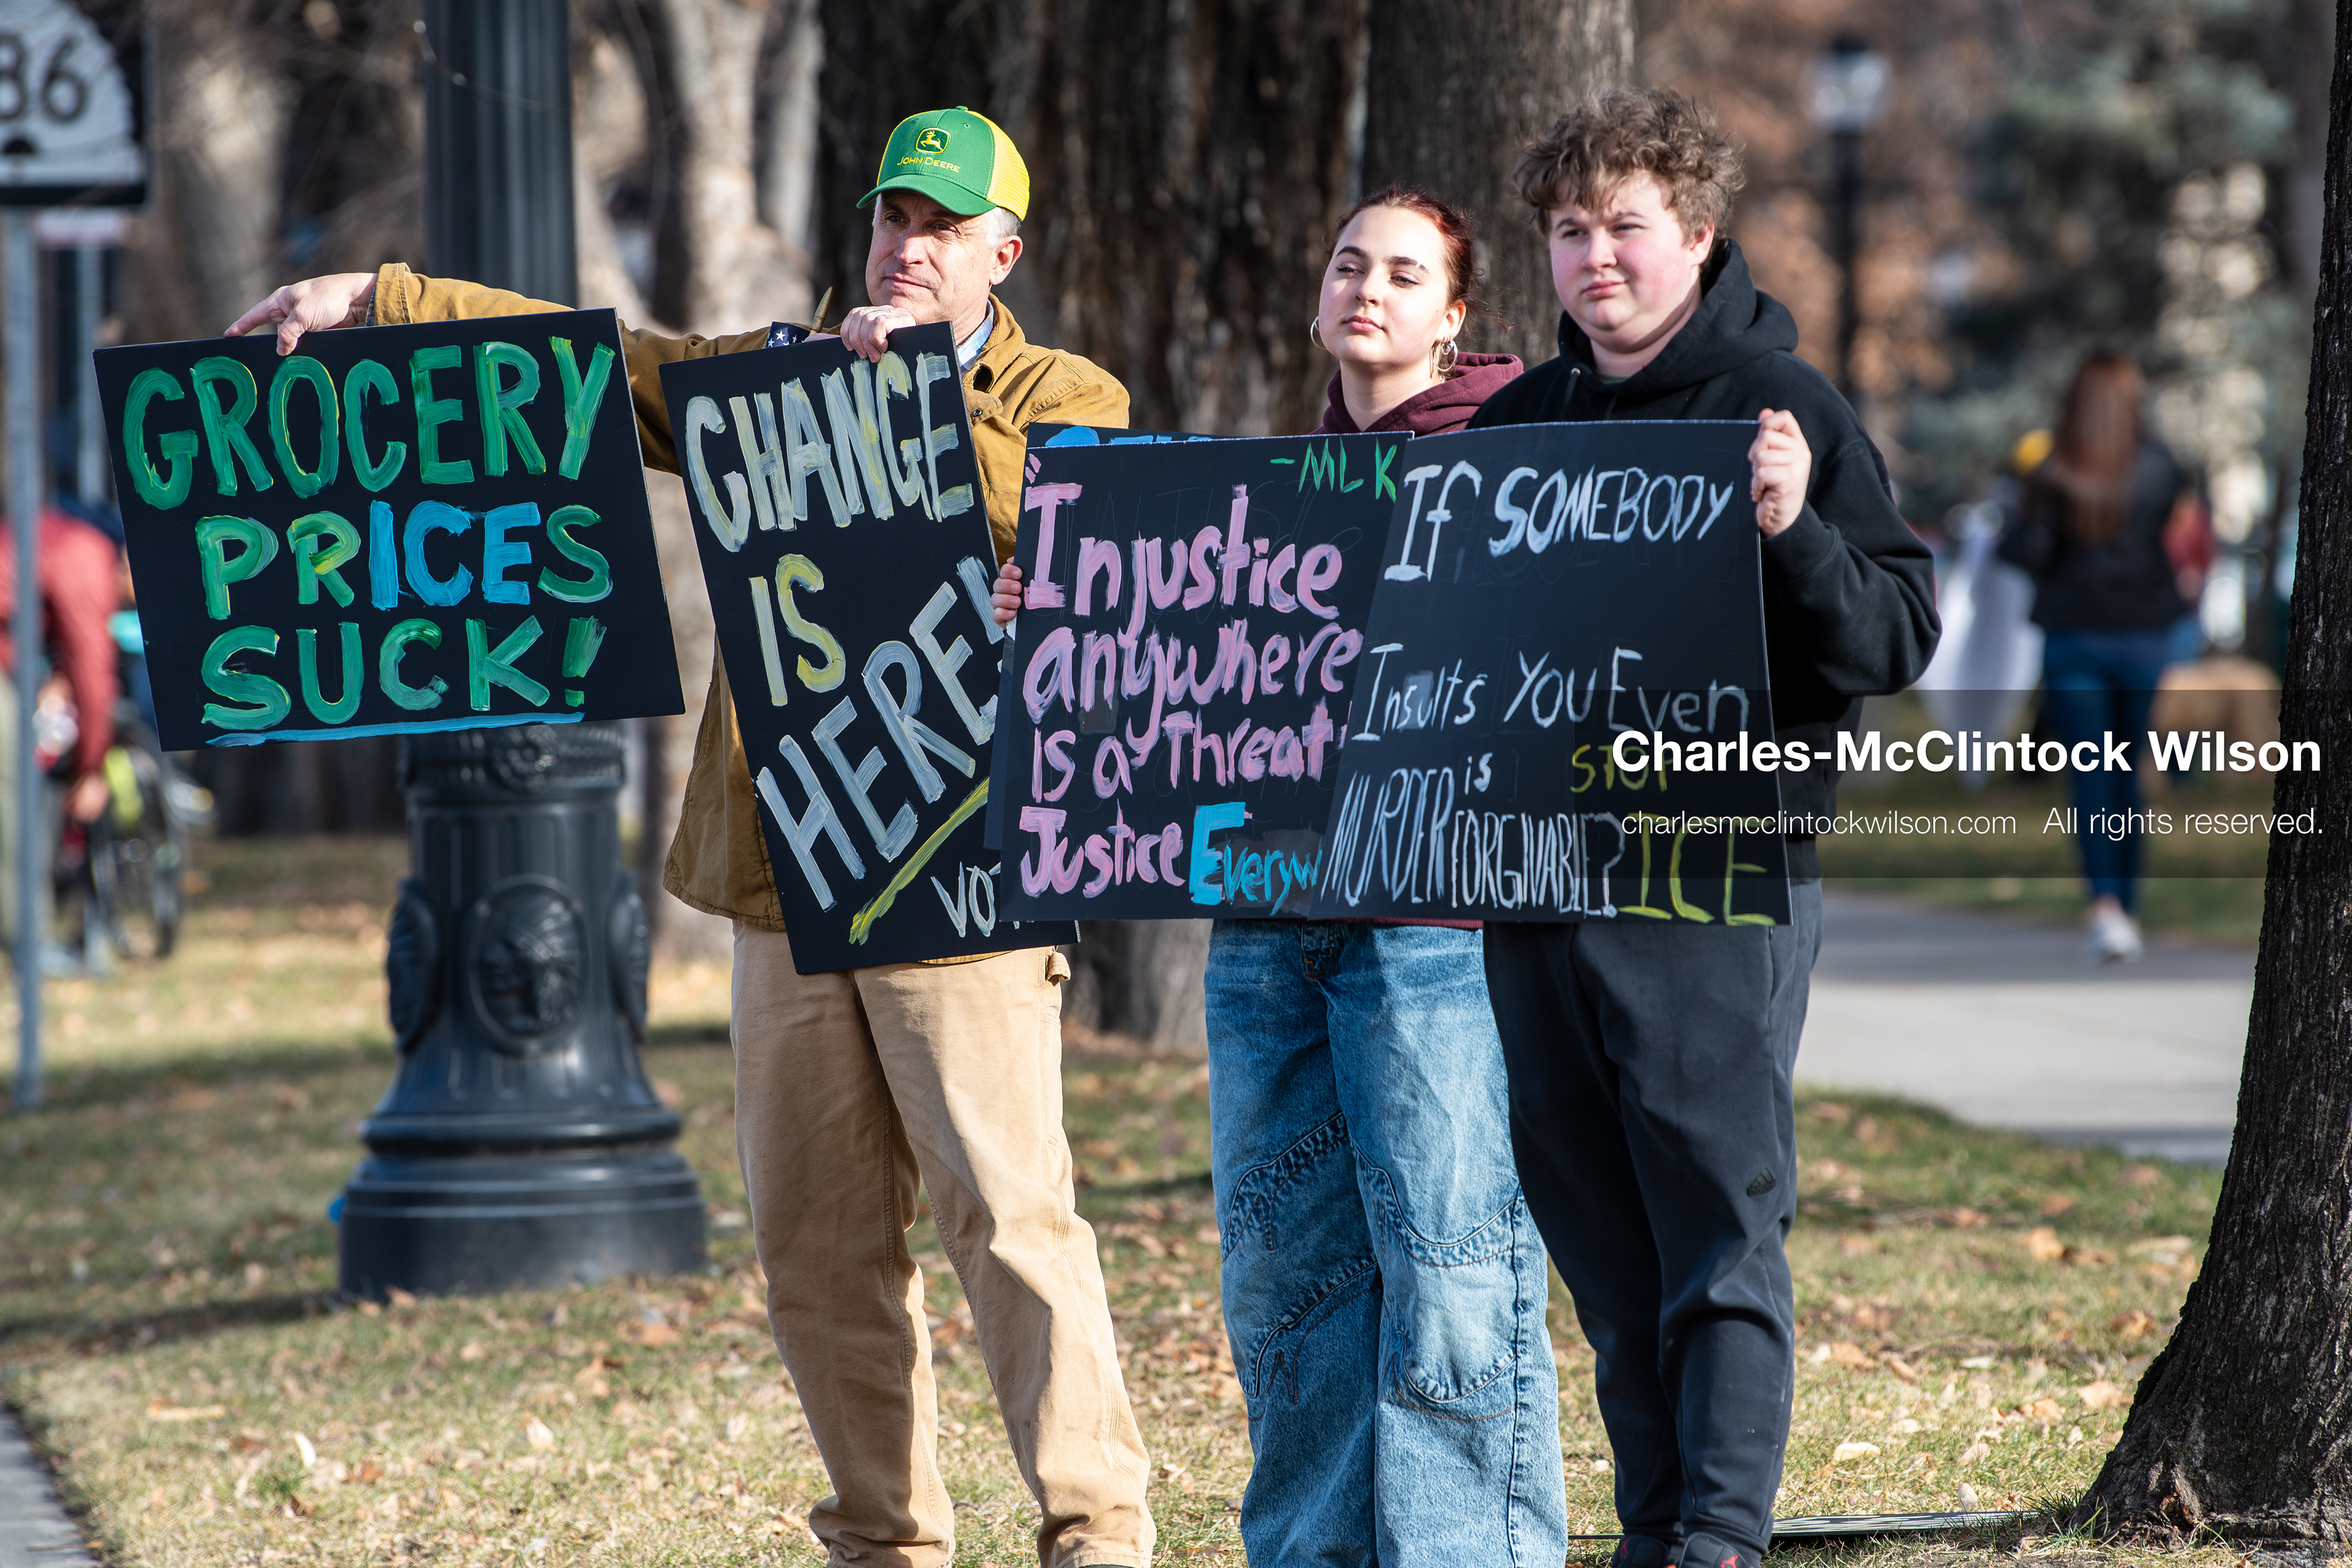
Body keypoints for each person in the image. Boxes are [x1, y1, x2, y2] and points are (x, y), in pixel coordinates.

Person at [229, 106, 1156, 1568]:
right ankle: (883, 1537)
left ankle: (1095, 1530)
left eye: (940, 226)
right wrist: (384, 299)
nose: (906, 246)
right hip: (785, 872)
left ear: (1003, 250)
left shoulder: (1064, 392)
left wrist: (898, 393)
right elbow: (601, 361)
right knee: (815, 1243)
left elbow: (1047, 522)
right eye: (890, 219)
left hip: (958, 873)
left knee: (1010, 1218)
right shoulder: (779, 379)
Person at [1004, 186, 1563, 1567]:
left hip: (1430, 934)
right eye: (1349, 264)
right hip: (1265, 929)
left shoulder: (1513, 453)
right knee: (1286, 1282)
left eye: (1405, 273)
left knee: (1447, 1272)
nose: (1368, 288)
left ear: (1453, 317)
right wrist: (1062, 605)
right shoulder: (1258, 493)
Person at [1466, 88, 1939, 1568]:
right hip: (1539, 881)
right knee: (1600, 1236)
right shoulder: (1516, 424)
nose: (1594, 257)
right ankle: (1654, 1521)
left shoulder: (1781, 404)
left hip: (1713, 878)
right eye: (1566, 231)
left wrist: (1792, 528)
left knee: (1713, 1221)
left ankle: (1722, 1532)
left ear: (1695, 236)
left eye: (1624, 227)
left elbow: (1893, 638)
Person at [1997, 351, 2198, 962]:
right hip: (2145, 636)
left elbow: (2027, 552)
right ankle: (2128, 908)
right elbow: (2176, 530)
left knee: (2091, 774)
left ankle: (2105, 908)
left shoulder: (2056, 469)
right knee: (2130, 773)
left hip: (2075, 639)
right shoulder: (2161, 466)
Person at [0, 504, 123, 971]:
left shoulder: (63, 536)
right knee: (12, 791)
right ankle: (29, 946)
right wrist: (91, 767)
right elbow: (93, 667)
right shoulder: (86, 555)